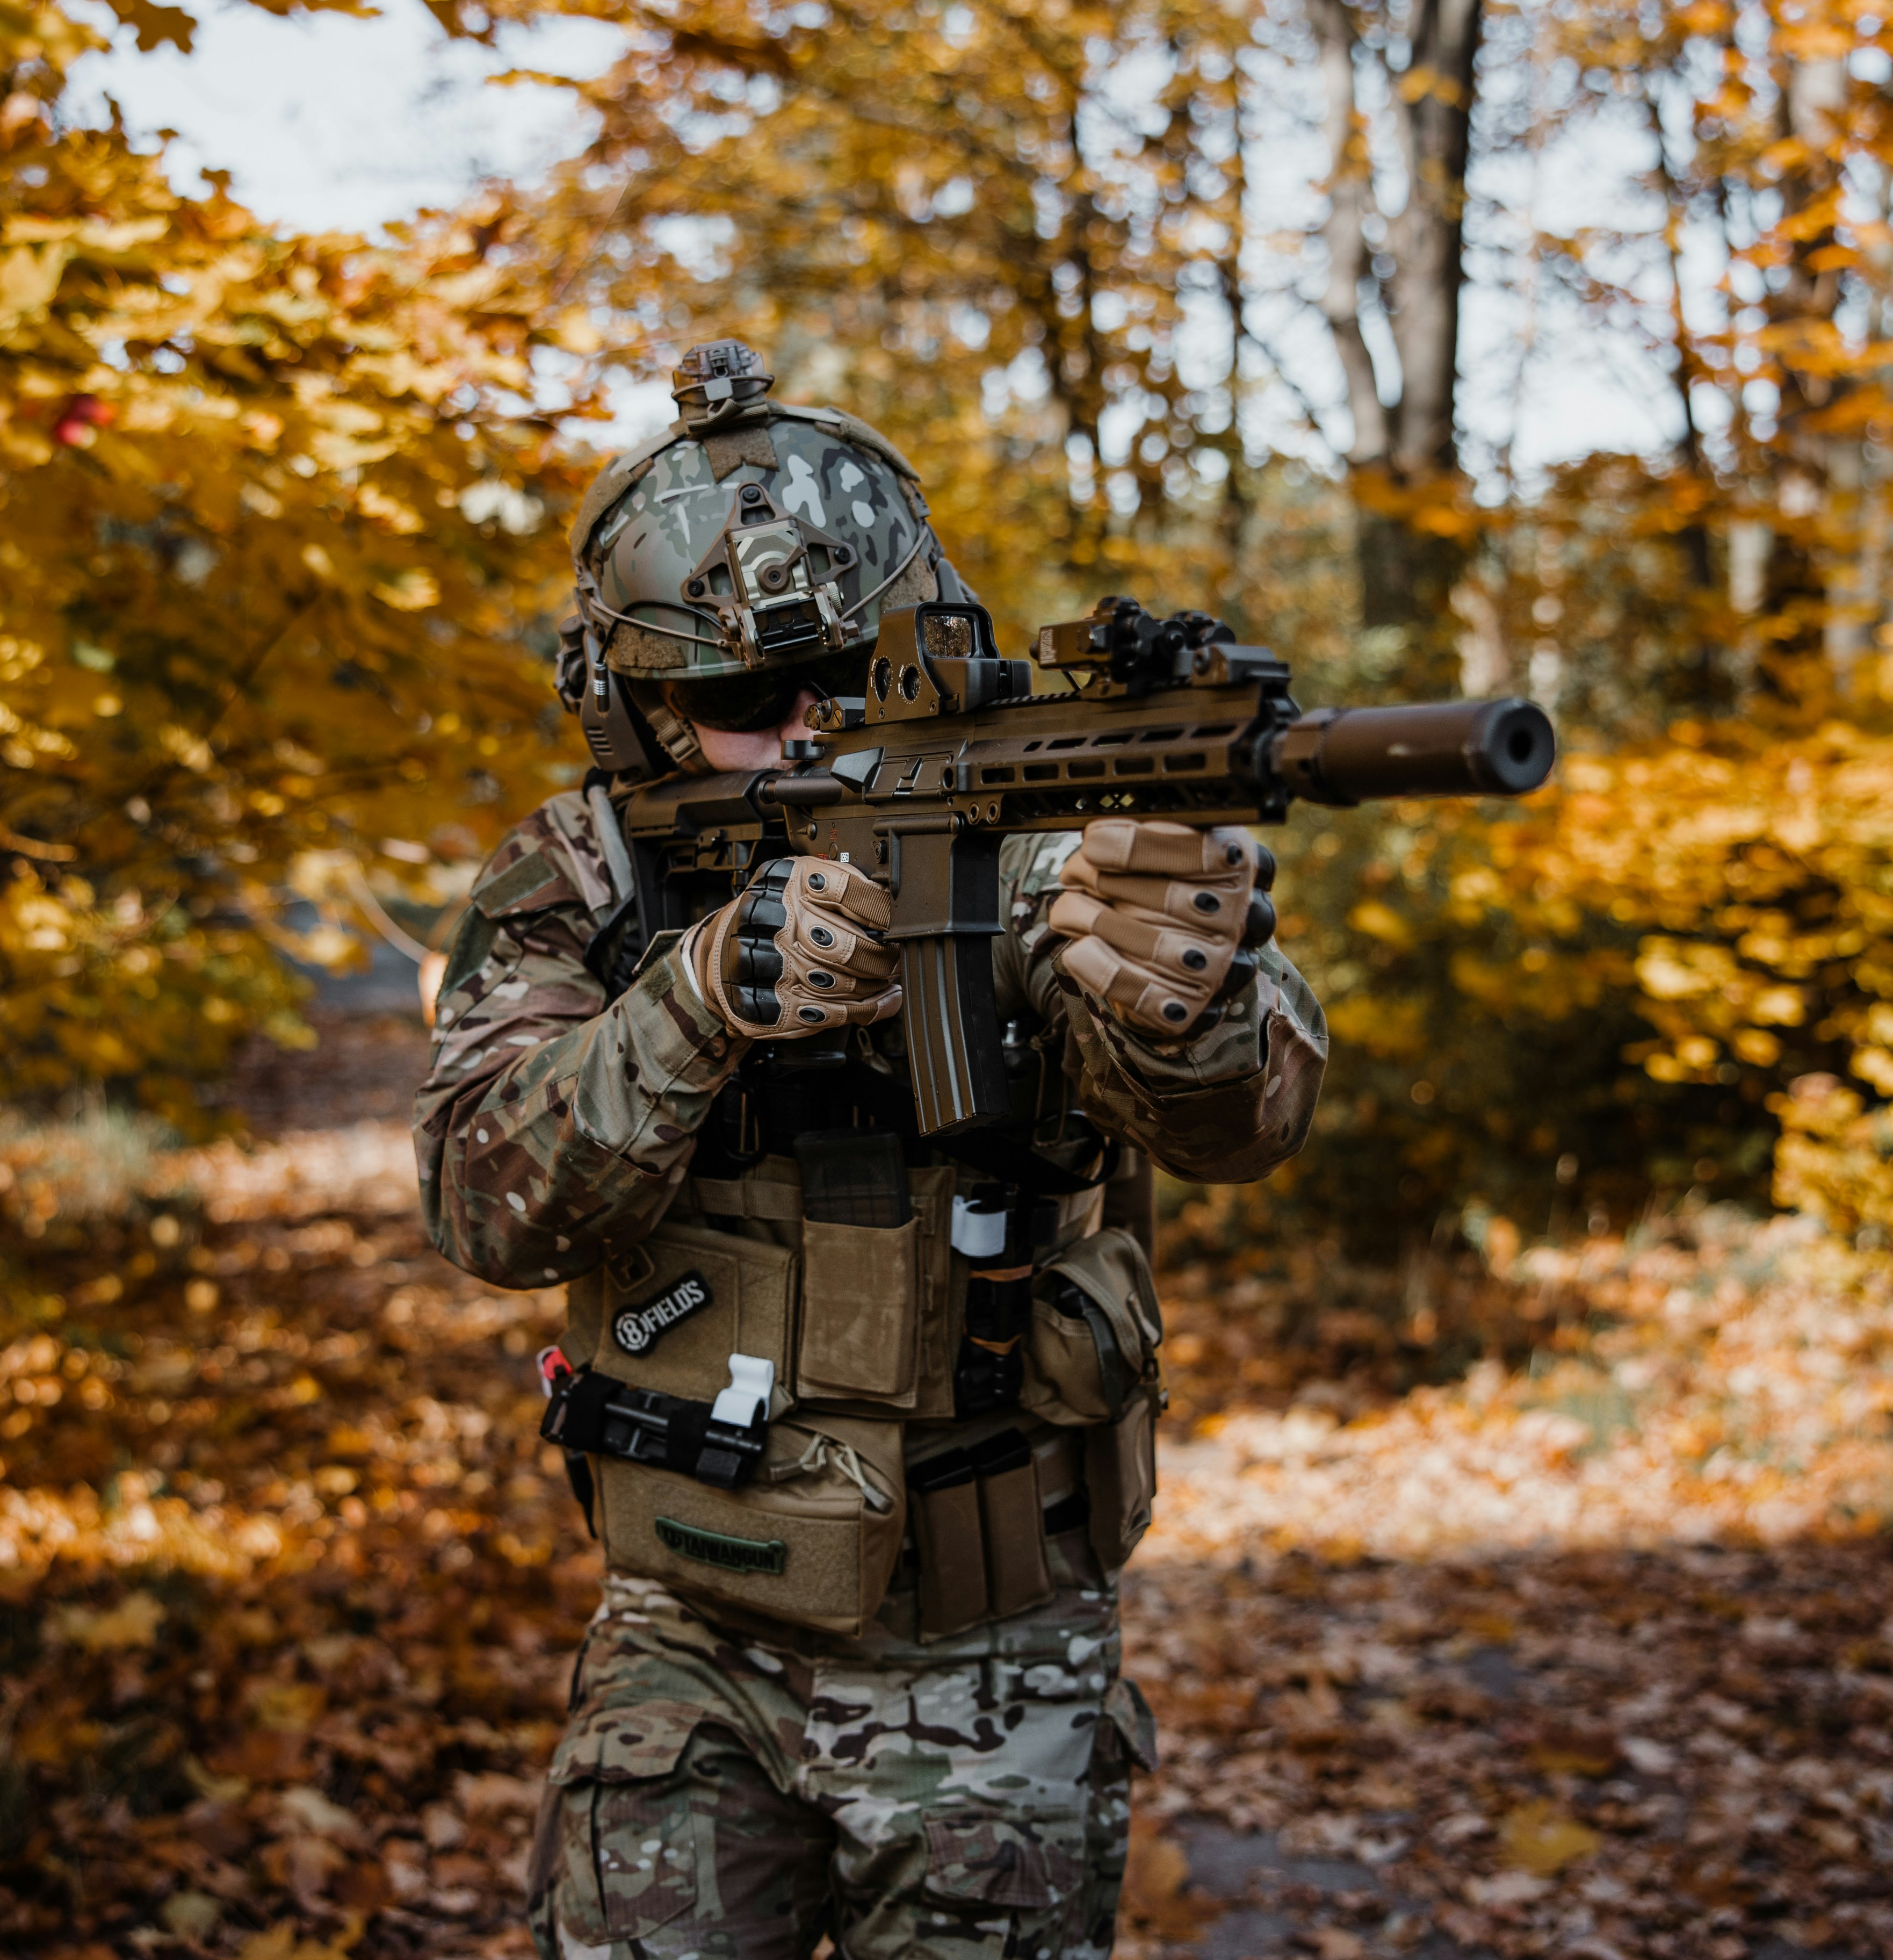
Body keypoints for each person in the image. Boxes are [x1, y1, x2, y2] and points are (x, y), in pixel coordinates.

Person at [415, 341, 1328, 1960]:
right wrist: (698, 1003)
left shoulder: (1050, 834)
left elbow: (1247, 1125)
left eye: (854, 674)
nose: (809, 730)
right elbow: (483, 1197)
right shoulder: (585, 878)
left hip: (995, 1655)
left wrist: (1189, 1005)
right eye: (744, 705)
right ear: (636, 710)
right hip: (686, 1645)